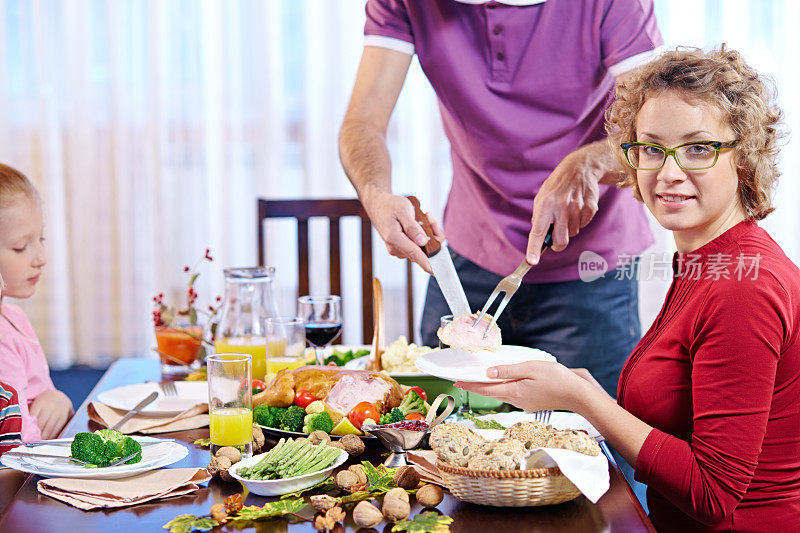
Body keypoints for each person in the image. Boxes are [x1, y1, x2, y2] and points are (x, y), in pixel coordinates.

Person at [458, 47, 800, 530]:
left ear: (743, 159)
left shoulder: (745, 287)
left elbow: (714, 495)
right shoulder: (709, 260)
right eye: (651, 148)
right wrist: (583, 389)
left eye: (699, 148)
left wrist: (585, 402)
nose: (669, 172)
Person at [339, 0, 663, 398]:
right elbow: (363, 122)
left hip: (590, 272)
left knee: (591, 446)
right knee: (436, 436)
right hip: (466, 263)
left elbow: (656, 129)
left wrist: (590, 162)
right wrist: (375, 195)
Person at [0, 163, 73, 441]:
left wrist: (59, 400)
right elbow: (15, 453)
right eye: (21, 247)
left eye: (40, 238)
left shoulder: (14, 318)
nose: (41, 257)